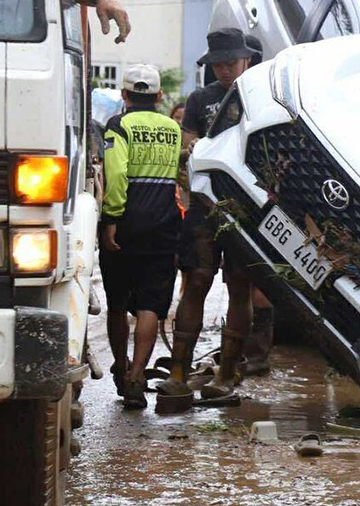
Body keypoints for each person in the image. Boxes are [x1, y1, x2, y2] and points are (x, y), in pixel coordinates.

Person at [159, 29, 259, 406]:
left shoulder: (258, 97)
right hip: (204, 207)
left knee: (239, 284)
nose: (224, 69)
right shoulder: (201, 99)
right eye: (217, 63)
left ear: (245, 60)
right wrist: (194, 155)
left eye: (230, 62)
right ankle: (178, 373)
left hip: (246, 211)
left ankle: (228, 373)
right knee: (197, 280)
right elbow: (186, 150)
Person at [99, 65, 182, 409]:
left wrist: (112, 218)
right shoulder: (173, 129)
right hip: (164, 224)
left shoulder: (118, 126)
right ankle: (137, 374)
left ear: (125, 95)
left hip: (127, 224)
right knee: (151, 303)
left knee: (118, 302)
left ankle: (120, 369)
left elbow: (116, 174)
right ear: (159, 96)